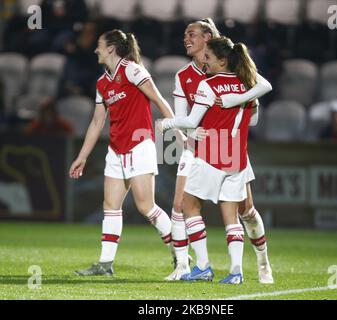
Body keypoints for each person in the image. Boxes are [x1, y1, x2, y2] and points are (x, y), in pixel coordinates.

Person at [165, 18, 274, 284]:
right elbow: (189, 122)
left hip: (216, 151)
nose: (186, 38)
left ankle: (262, 263)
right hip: (211, 150)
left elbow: (185, 118)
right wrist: (191, 134)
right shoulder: (185, 76)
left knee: (245, 210)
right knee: (181, 206)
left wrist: (165, 124)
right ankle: (188, 266)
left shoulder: (224, 72)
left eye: (192, 33)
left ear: (209, 39)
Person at [70, 30, 177, 276]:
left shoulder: (132, 70)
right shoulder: (101, 83)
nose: (96, 50)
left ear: (111, 48)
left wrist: (178, 132)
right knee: (110, 206)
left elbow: (160, 100)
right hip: (115, 150)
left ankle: (180, 254)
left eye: (99, 45)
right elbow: (97, 122)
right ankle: (105, 265)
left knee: (146, 207)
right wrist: (82, 156)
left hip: (140, 146)